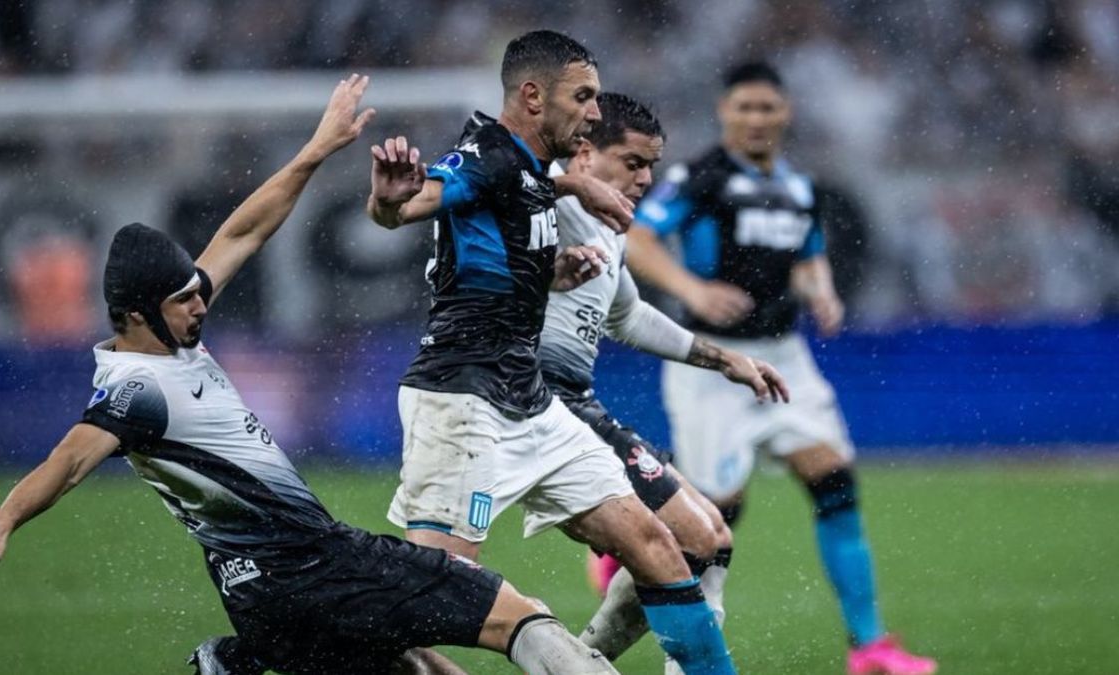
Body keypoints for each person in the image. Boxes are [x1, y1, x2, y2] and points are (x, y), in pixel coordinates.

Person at [0, 75, 617, 675]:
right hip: (318, 565)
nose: (202, 300)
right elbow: (69, 459)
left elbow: (243, 233)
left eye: (196, 290)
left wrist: (317, 149)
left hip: (260, 601)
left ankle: (234, 659)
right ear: (134, 314)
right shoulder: (134, 390)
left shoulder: (170, 338)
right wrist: (2, 523)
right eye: (183, 297)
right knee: (520, 617)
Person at [368, 30, 738, 674]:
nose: (595, 112)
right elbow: (414, 203)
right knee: (429, 599)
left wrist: (555, 248)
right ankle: (282, 646)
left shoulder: (533, 172)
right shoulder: (484, 155)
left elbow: (512, 215)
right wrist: (388, 200)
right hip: (462, 402)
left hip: (533, 404)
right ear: (534, 96)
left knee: (656, 542)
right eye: (584, 96)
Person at [625, 61, 938, 675]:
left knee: (834, 480)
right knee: (714, 518)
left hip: (785, 355)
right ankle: (635, 548)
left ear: (785, 113)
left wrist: (821, 291)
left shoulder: (799, 186)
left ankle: (869, 647)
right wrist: (691, 288)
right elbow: (637, 236)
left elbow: (807, 256)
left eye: (767, 108)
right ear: (724, 112)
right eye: (744, 107)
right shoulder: (701, 175)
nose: (756, 119)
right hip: (712, 360)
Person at [537, 92, 789, 669]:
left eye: (651, 165)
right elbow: (473, 188)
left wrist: (724, 360)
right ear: (583, 154)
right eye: (632, 163)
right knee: (692, 543)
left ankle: (581, 662)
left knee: (712, 540)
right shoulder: (536, 194)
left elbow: (626, 315)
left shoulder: (611, 225)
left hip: (575, 403)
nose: (647, 179)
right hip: (527, 400)